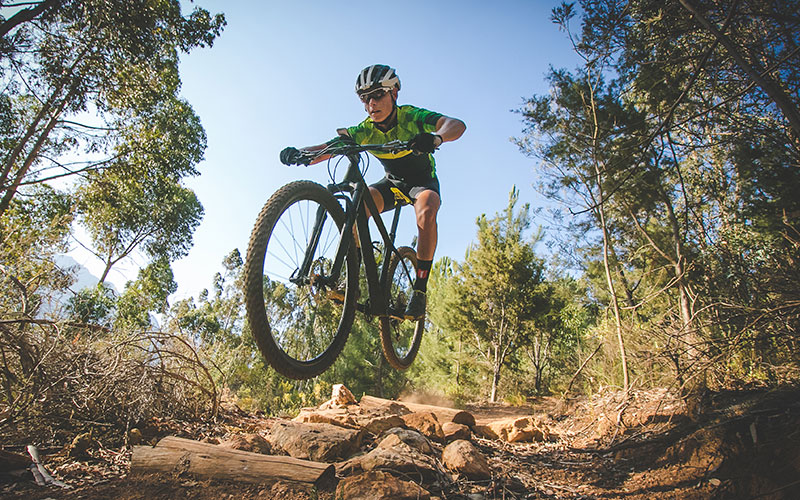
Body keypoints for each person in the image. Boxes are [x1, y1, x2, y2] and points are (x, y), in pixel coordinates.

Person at [280, 64, 466, 320]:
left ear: (394, 93)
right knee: (358, 207)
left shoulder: (411, 116)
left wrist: (436, 138)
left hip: (421, 183)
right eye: (364, 99)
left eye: (377, 95)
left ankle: (420, 291)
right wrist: (302, 154)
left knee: (427, 209)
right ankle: (351, 282)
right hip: (391, 183)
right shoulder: (364, 129)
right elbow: (330, 147)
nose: (371, 104)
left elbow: (455, 124)